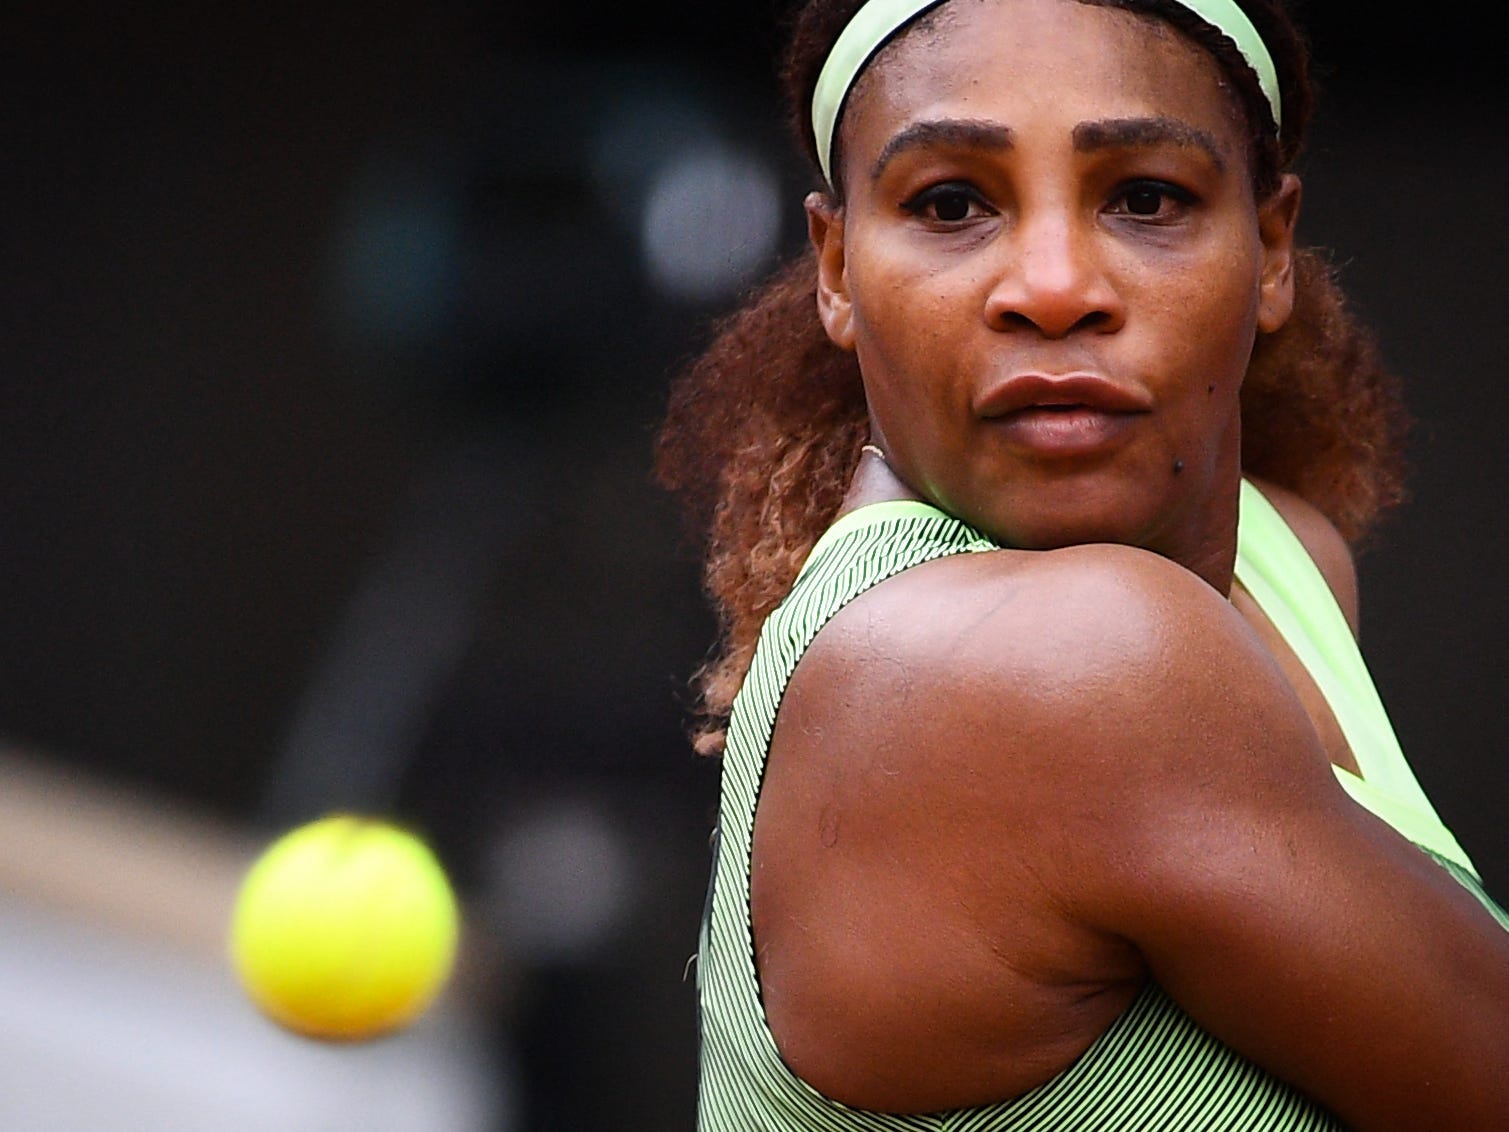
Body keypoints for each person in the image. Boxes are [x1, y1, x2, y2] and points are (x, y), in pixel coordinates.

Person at [655, 0, 1509, 1127]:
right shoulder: (1068, 664)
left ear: (1271, 249)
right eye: (950, 203)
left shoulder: (1287, 561)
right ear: (836, 268)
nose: (1053, 287)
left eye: (1146, 197)